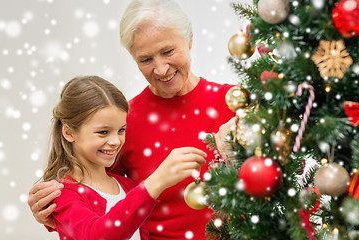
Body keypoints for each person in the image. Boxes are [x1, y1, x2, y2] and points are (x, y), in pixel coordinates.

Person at [28, 0, 236, 239]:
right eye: (145, 59)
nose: (160, 69)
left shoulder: (235, 103)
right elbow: (102, 196)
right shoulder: (123, 122)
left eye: (168, 51)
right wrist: (52, 212)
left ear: (189, 40)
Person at [40, 75, 207, 240]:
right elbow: (96, 235)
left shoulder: (127, 186)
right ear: (69, 133)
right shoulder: (63, 194)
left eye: (121, 130)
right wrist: (155, 182)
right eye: (103, 132)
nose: (115, 141)